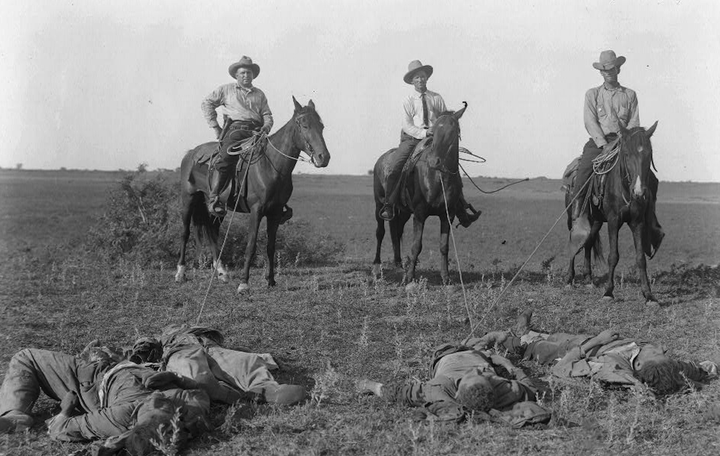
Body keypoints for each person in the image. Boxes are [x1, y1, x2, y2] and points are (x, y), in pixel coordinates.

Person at [0, 347, 210, 455]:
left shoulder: (119, 416)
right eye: (164, 407)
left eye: (154, 409)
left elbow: (60, 429)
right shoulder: (185, 406)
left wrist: (66, 408)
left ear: (136, 424)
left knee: (25, 357)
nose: (157, 400)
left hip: (91, 382)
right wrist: (176, 379)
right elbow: (200, 393)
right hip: (120, 369)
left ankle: (14, 414)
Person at [471, 311, 718, 396]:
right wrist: (704, 371)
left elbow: (561, 369)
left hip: (578, 350)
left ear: (640, 365)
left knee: (540, 348)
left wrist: (597, 342)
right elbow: (698, 368)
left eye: (658, 353)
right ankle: (528, 331)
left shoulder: (610, 368)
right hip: (588, 340)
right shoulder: (668, 366)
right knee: (555, 335)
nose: (663, 349)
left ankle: (510, 340)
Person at [571, 50, 664, 255]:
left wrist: (626, 141)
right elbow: (590, 121)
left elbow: (634, 122)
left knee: (651, 178)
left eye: (611, 69)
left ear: (618, 69)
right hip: (599, 142)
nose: (607, 73)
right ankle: (580, 215)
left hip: (624, 142)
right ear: (601, 72)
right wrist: (603, 143)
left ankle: (652, 222)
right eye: (604, 70)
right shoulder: (592, 94)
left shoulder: (630, 95)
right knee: (584, 169)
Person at [378, 60, 481, 227]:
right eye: (417, 77)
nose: (420, 80)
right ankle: (389, 204)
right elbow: (407, 125)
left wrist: (441, 133)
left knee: (451, 167)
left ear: (427, 78)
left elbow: (445, 119)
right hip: (412, 138)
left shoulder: (436, 98)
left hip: (434, 140)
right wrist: (425, 132)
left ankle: (461, 208)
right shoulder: (408, 101)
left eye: (423, 77)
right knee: (397, 165)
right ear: (412, 80)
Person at [356, 340, 550, 426]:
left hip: (446, 353)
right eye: (484, 375)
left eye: (476, 374)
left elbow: (397, 393)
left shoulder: (438, 387)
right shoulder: (502, 387)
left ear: (457, 393)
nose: (479, 370)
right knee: (481, 342)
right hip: (480, 354)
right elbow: (531, 390)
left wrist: (369, 385)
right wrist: (508, 365)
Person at [159, 325, 307, 406]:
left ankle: (265, 388)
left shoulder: (199, 333)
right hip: (178, 351)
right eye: (173, 327)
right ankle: (215, 388)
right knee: (192, 369)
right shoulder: (160, 341)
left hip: (211, 348)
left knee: (244, 361)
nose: (178, 326)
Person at [201, 56, 274, 216]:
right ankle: (215, 197)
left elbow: (267, 114)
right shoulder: (226, 90)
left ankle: (276, 201)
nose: (246, 76)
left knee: (273, 158)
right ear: (236, 75)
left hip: (257, 132)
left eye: (248, 73)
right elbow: (207, 103)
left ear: (253, 75)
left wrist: (266, 127)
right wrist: (215, 126)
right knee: (226, 158)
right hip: (236, 130)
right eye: (242, 73)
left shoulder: (259, 94)